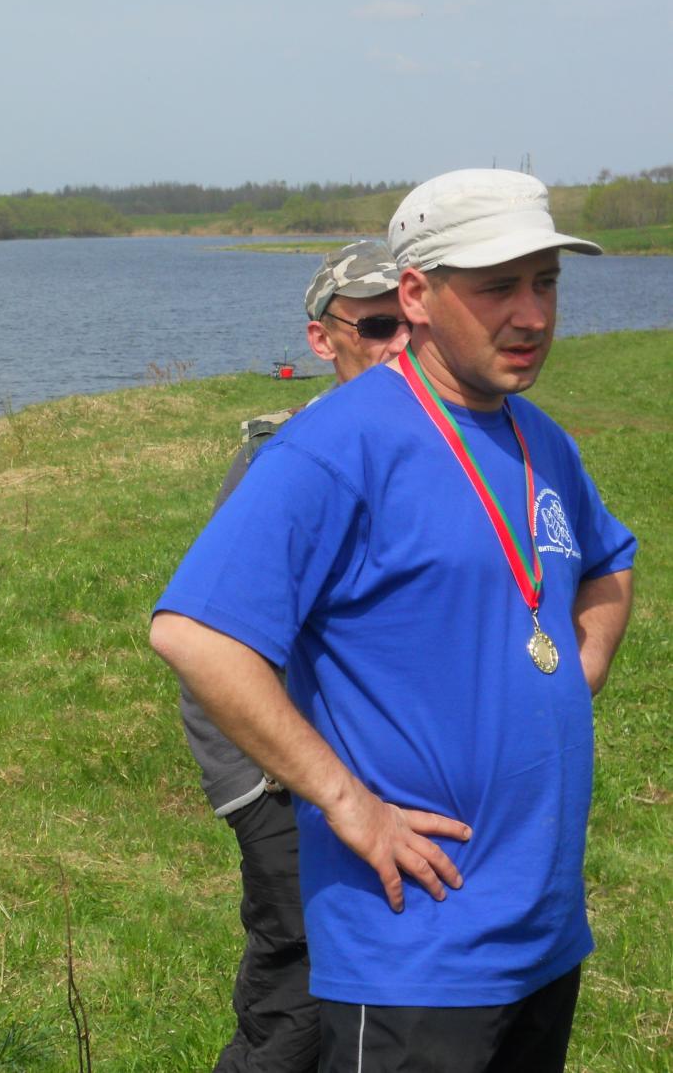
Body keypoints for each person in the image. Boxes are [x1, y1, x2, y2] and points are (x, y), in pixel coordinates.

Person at [151, 168, 636, 1072]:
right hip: (413, 944)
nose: (531, 315)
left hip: (542, 930)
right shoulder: (334, 446)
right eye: (498, 287)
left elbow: (609, 558)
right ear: (415, 295)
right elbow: (196, 634)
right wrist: (348, 804)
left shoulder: (538, 437)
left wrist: (579, 668)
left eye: (545, 283)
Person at [179, 239, 404, 1072]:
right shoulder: (281, 460)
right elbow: (204, 640)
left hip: (403, 789)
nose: (398, 345)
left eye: (412, 322)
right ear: (322, 339)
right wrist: (253, 794)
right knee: (298, 1003)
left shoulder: (453, 450)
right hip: (289, 791)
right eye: (375, 326)